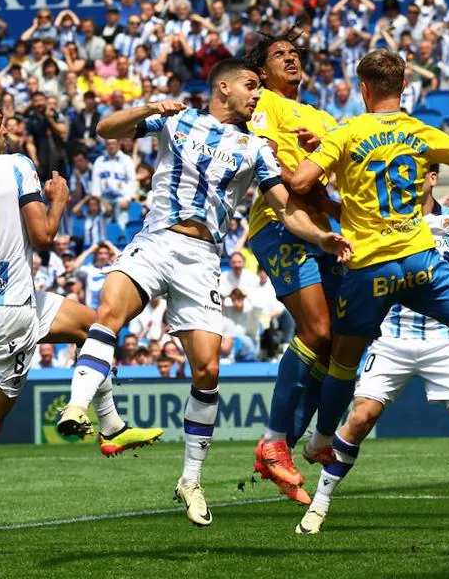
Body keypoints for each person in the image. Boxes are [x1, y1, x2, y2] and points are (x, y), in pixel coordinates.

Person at [56, 60, 352, 528]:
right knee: (110, 311)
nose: (257, 95)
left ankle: (190, 479)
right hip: (155, 239)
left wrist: (319, 237)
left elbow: (285, 208)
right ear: (224, 87)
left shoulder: (256, 148)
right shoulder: (177, 119)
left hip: (202, 259)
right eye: (251, 87)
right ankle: (77, 405)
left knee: (208, 370)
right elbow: (104, 127)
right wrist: (150, 105)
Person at [0, 96, 162, 563]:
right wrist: (57, 200)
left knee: (94, 326)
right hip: (13, 311)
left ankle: (112, 426)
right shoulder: (15, 165)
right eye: (0, 122)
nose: (7, 128)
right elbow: (43, 238)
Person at [288, 49, 449, 535]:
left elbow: (299, 181)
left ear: (362, 89)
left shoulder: (348, 131)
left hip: (370, 269)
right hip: (420, 260)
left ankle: (318, 439)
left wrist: (313, 167)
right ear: (406, 87)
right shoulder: (421, 133)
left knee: (342, 362)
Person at [244, 36, 341, 504]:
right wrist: (308, 174)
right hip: (281, 223)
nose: (291, 57)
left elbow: (340, 173)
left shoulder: (323, 118)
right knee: (318, 329)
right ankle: (274, 439)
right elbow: (265, 159)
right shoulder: (264, 102)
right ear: (261, 72)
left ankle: (280, 447)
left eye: (294, 52)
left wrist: (321, 166)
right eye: (279, 54)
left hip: (327, 229)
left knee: (338, 344)